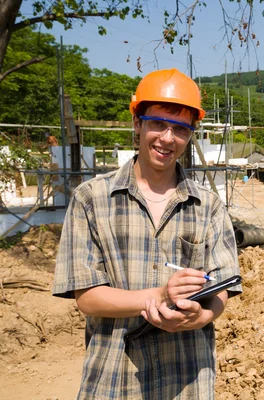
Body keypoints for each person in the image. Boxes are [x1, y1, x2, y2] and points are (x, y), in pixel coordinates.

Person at [52, 68, 242, 399]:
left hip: (187, 379)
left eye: (181, 129)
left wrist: (201, 315)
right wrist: (158, 296)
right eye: (158, 124)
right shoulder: (92, 199)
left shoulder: (209, 205)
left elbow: (222, 288)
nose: (168, 138)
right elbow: (87, 297)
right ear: (137, 123)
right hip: (115, 378)